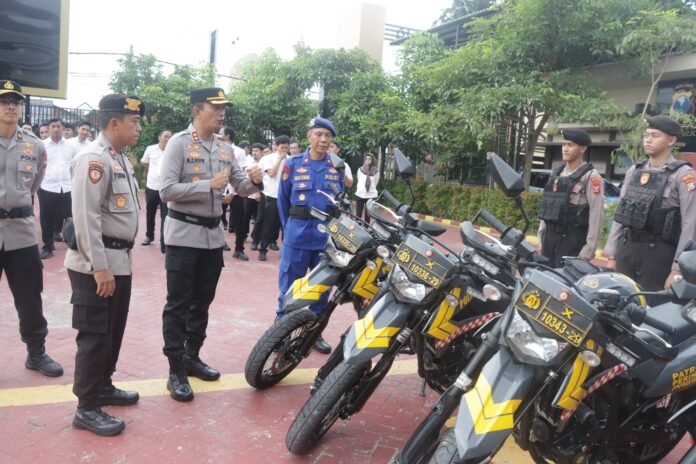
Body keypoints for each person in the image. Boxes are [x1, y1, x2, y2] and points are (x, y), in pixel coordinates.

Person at [159, 87, 262, 402]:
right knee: (178, 304)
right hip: (183, 235)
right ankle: (175, 370)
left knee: (202, 302)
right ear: (196, 110)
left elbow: (240, 186)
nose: (221, 113)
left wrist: (255, 180)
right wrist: (208, 185)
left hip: (212, 238)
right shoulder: (178, 144)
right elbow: (166, 190)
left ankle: (191, 356)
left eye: (223, 108)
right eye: (215, 108)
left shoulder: (224, 147)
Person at [65, 94, 144, 436]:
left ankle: (103, 386)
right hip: (96, 265)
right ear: (114, 123)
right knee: (95, 336)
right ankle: (86, 408)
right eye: (134, 122)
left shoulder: (118, 157)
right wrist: (99, 267)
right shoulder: (94, 158)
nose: (138, 128)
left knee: (112, 331)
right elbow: (86, 217)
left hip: (119, 261)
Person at [0, 80, 63, 379]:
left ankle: (36, 352)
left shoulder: (34, 145)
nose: (11, 106)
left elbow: (35, 184)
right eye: (4, 101)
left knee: (30, 297)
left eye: (16, 101)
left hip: (22, 232)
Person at [604, 115, 696, 291]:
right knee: (619, 300)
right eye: (646, 135)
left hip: (658, 255)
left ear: (671, 140)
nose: (648, 140)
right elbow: (620, 214)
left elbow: (690, 224)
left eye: (655, 135)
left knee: (650, 304)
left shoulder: (684, 175)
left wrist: (677, 268)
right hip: (627, 249)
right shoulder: (634, 171)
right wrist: (612, 254)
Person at [277, 117, 344, 354]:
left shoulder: (337, 166)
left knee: (322, 289)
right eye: (319, 134)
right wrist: (289, 229)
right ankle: (280, 332)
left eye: (328, 136)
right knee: (289, 286)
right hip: (297, 235)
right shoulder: (293, 164)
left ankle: (313, 333)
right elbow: (283, 201)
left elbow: (339, 204)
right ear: (309, 137)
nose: (323, 140)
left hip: (325, 239)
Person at [537, 129, 604, 268]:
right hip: (549, 237)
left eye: (570, 145)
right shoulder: (556, 174)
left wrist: (589, 249)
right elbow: (548, 205)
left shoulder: (591, 177)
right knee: (545, 276)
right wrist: (541, 235)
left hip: (572, 239)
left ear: (582, 149)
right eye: (564, 144)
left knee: (565, 280)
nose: (565, 149)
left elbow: (596, 214)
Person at [38, 118, 77, 258]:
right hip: (48, 187)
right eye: (53, 126)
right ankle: (48, 247)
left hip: (67, 187)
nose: (56, 129)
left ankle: (75, 243)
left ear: (62, 128)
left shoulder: (71, 146)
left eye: (58, 126)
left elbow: (76, 164)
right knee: (46, 218)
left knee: (72, 217)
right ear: (49, 129)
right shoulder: (42, 146)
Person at [257, 135, 289, 261]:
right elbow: (271, 174)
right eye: (282, 147)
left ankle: (285, 251)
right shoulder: (268, 158)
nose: (284, 150)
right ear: (277, 146)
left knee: (286, 226)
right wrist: (280, 159)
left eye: (286, 148)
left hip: (286, 197)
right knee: (268, 224)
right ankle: (263, 249)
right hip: (272, 195)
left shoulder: (291, 160)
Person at [141, 129, 172, 253]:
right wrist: (153, 171)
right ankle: (149, 235)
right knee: (150, 212)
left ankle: (164, 243)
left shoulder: (172, 150)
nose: (168, 139)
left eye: (170, 137)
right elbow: (144, 162)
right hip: (152, 186)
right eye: (166, 136)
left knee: (166, 215)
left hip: (166, 188)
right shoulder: (150, 149)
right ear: (159, 137)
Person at [249, 143, 266, 250]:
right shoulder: (249, 161)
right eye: (253, 151)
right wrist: (257, 192)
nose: (254, 153)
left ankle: (265, 241)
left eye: (257, 151)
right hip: (252, 193)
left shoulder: (266, 161)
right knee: (258, 218)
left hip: (267, 193)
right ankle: (255, 240)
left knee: (262, 219)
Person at [355, 153, 380, 223]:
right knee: (358, 214)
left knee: (368, 215)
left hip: (370, 195)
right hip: (360, 194)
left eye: (369, 159)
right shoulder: (360, 169)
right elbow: (359, 179)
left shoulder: (376, 171)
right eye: (366, 159)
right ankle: (358, 227)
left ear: (372, 160)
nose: (367, 160)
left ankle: (366, 227)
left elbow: (376, 182)